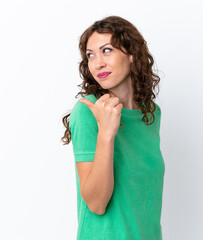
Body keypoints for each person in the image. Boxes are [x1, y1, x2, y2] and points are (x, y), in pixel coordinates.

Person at [61, 15, 165, 240]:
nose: (97, 63)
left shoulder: (151, 114)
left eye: (107, 50)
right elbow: (97, 203)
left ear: (131, 55)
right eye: (90, 55)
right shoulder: (88, 111)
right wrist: (106, 133)